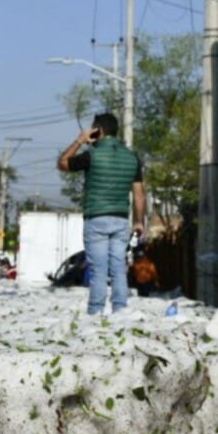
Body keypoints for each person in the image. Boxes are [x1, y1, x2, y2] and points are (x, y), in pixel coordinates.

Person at [57, 113, 146, 315]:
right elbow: (139, 194)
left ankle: (96, 312)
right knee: (118, 268)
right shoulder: (132, 157)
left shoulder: (92, 155)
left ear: (98, 131)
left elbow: (63, 163)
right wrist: (139, 221)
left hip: (96, 218)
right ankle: (120, 310)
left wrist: (80, 141)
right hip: (121, 220)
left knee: (98, 270)